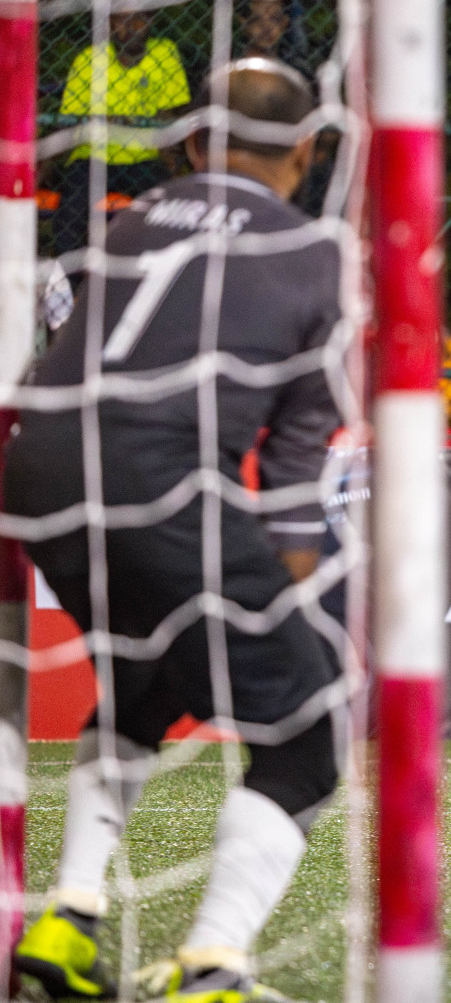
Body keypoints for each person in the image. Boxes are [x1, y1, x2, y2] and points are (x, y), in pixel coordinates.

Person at [7, 59, 342, 1002]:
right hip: (161, 483)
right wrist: (295, 598)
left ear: (194, 142)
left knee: (146, 685)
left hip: (37, 469)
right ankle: (214, 966)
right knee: (307, 738)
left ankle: (67, 924)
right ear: (308, 153)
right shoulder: (315, 254)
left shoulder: (129, 220)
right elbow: (292, 471)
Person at [53, 10, 192, 256]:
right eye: (120, 19)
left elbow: (170, 113)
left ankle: (159, 276)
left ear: (150, 21)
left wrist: (134, 122)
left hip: (143, 156)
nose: (130, 26)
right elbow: (70, 120)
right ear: (109, 23)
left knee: (168, 210)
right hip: (94, 155)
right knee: (70, 214)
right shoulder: (90, 58)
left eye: (139, 18)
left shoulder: (164, 53)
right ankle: (70, 286)